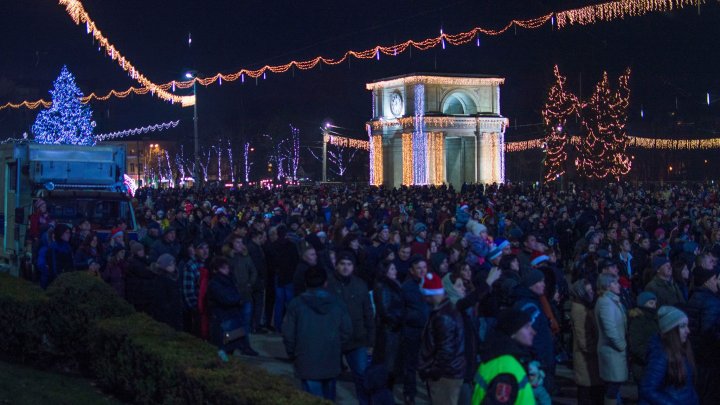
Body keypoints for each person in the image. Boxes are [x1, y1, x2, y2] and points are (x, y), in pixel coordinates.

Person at [283, 266, 352, 401]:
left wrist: (293, 353)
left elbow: (288, 334)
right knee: (329, 397)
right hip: (330, 357)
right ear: (325, 283)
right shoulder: (337, 303)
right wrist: (336, 346)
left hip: (306, 359)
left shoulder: (296, 304)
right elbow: (347, 331)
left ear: (305, 282)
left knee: (311, 398)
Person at [326, 253, 375, 405]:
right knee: (330, 377)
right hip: (334, 339)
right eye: (342, 264)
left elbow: (368, 312)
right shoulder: (329, 284)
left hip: (357, 339)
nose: (345, 267)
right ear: (336, 265)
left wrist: (371, 340)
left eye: (349, 264)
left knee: (361, 375)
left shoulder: (360, 284)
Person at [418, 272, 465, 404]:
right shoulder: (446, 310)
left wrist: (433, 372)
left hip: (445, 376)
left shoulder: (443, 316)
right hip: (449, 372)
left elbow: (446, 350)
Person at [471, 308, 537, 404]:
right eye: (527, 327)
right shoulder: (507, 368)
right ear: (513, 332)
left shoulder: (500, 356)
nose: (533, 332)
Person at [639, 306, 699, 404]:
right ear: (671, 330)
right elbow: (647, 389)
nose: (688, 331)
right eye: (683, 326)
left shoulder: (682, 348)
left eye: (687, 326)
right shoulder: (661, 354)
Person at [513, 269, 555, 394]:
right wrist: (536, 360)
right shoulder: (530, 307)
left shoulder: (533, 302)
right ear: (531, 284)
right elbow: (526, 337)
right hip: (537, 363)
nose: (544, 284)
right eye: (540, 281)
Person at [684, 260, 720, 403]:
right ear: (708, 281)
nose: (718, 281)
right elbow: (709, 330)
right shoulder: (711, 302)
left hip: (696, 351)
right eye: (716, 278)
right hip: (708, 355)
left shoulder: (695, 296)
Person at [400, 256, 430, 405]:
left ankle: (432, 392)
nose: (422, 271)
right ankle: (409, 393)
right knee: (410, 364)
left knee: (430, 363)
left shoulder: (432, 284)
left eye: (424, 267)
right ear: (412, 271)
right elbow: (401, 309)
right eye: (419, 268)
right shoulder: (406, 287)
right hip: (412, 330)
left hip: (430, 331)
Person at [594, 273, 628, 405]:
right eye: (615, 283)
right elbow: (610, 329)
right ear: (608, 286)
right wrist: (621, 345)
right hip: (612, 351)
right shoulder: (605, 303)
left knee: (614, 387)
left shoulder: (611, 301)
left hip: (614, 351)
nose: (618, 285)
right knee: (612, 388)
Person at [569, 278, 603, 405]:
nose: (592, 293)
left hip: (590, 360)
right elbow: (583, 338)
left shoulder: (585, 307)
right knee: (587, 394)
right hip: (587, 360)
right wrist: (596, 349)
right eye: (588, 291)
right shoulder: (579, 310)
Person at [224, 235, 258, 356]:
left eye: (241, 242)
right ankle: (228, 345)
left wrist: (250, 284)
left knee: (245, 323)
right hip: (233, 296)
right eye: (237, 242)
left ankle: (245, 346)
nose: (240, 244)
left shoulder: (245, 257)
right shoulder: (227, 259)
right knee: (232, 323)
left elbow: (253, 271)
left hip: (245, 295)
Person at [207, 257, 246, 362]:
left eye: (227, 268)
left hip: (231, 320)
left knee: (230, 345)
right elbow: (226, 299)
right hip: (223, 320)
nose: (227, 270)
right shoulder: (214, 283)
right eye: (223, 268)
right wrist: (238, 299)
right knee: (223, 347)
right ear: (216, 270)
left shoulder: (229, 280)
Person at [372, 261, 403, 387]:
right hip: (388, 329)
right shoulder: (383, 286)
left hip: (394, 328)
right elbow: (384, 309)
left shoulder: (395, 284)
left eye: (395, 268)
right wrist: (397, 321)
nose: (395, 271)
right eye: (392, 269)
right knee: (386, 361)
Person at [628, 291, 659, 383]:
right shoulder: (638, 321)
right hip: (642, 365)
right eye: (651, 303)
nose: (654, 306)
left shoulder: (653, 318)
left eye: (654, 303)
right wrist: (650, 357)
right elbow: (636, 345)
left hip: (651, 362)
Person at [149, 253, 183, 331]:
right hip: (167, 315)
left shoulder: (174, 277)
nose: (173, 265)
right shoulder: (161, 280)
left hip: (175, 312)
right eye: (170, 264)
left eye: (174, 263)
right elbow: (161, 300)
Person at [125, 240, 155, 313]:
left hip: (143, 292)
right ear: (135, 252)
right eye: (139, 250)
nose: (142, 252)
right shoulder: (134, 263)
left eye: (142, 250)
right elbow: (145, 273)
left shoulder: (143, 260)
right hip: (138, 293)